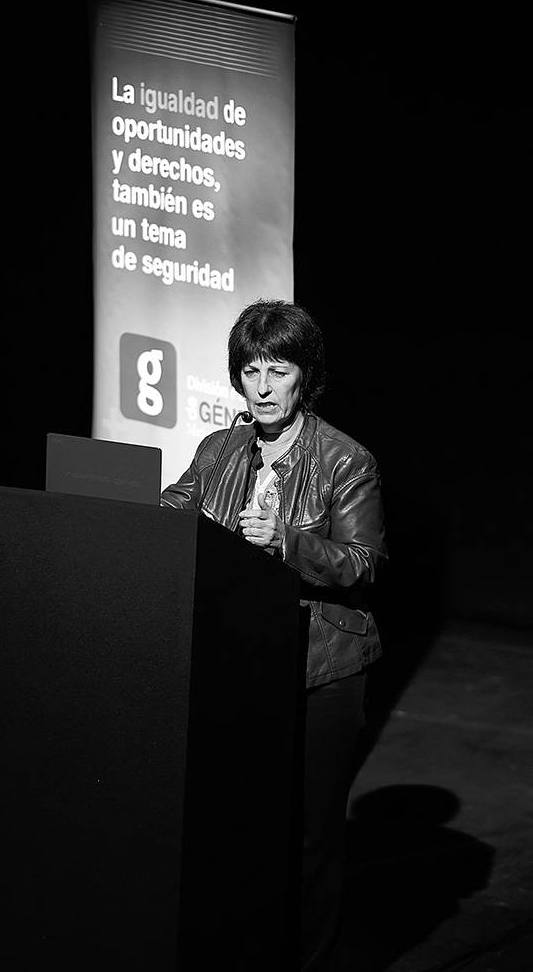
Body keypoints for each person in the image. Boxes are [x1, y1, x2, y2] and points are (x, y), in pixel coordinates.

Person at [161, 298, 387, 970]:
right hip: (239, 663)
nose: (261, 386)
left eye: (277, 370)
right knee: (241, 828)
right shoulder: (219, 448)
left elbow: (364, 564)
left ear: (302, 376)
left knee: (311, 835)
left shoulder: (345, 460)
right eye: (251, 369)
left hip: (322, 668)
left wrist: (290, 544)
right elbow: (179, 503)